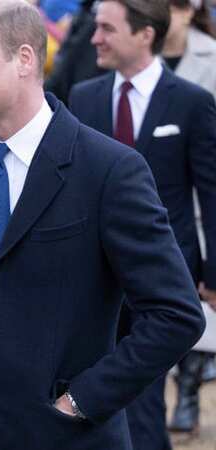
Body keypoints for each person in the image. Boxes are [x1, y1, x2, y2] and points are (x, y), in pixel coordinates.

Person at [0, 1, 205, 449]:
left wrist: (81, 402)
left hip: (61, 437)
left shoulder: (109, 170)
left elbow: (176, 315)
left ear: (25, 59)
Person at [68, 0, 216, 446]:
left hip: (165, 272)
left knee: (145, 394)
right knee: (103, 384)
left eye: (108, 29)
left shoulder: (193, 103)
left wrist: (212, 273)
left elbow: (211, 194)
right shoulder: (84, 97)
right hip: (91, 275)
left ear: (144, 35)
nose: (96, 38)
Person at [161, 0, 216, 432]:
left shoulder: (210, 57)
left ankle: (190, 392)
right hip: (160, 192)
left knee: (200, 297)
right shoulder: (137, 60)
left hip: (202, 188)